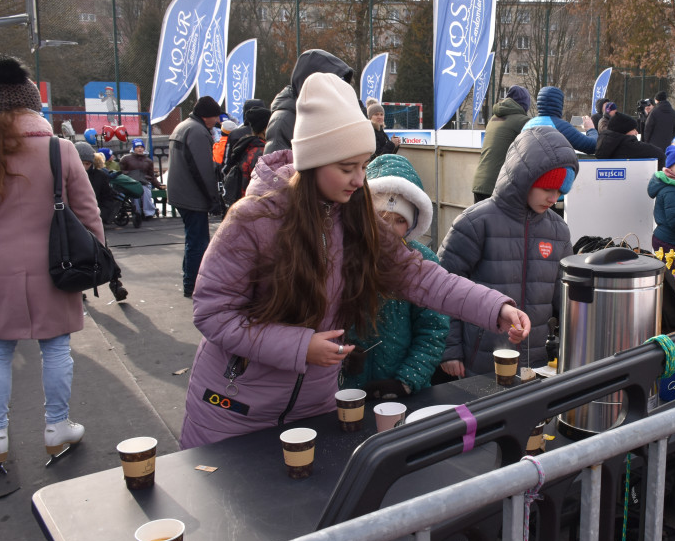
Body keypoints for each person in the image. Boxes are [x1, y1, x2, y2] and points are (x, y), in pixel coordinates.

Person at [178, 72, 530, 449]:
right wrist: (300, 346)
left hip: (312, 409)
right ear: (313, 161)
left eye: (363, 166)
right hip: (233, 409)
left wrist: (496, 307)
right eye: (348, 168)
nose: (359, 179)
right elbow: (212, 312)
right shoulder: (253, 220)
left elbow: (422, 276)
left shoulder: (355, 216)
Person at [0, 54, 96, 465]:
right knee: (56, 349)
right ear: (33, 105)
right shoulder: (59, 149)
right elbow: (87, 212)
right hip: (56, 264)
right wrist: (95, 261)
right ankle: (57, 426)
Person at [438, 125, 578, 378]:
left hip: (536, 361)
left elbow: (563, 297)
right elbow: (443, 289)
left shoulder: (559, 231)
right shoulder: (476, 222)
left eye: (559, 191)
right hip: (480, 358)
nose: (553, 198)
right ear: (524, 179)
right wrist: (450, 350)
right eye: (547, 188)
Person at [339, 153, 450, 399]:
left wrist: (406, 381)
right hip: (341, 392)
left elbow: (433, 330)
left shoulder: (423, 262)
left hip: (398, 392)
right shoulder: (340, 255)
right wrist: (338, 359)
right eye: (381, 217)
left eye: (399, 220)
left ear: (410, 226)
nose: (387, 229)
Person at [167, 95, 222, 298]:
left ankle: (189, 280)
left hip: (180, 192)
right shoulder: (198, 132)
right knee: (198, 242)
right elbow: (202, 169)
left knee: (193, 239)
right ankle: (193, 284)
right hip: (191, 195)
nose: (217, 121)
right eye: (215, 117)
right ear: (206, 116)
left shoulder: (184, 126)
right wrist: (213, 199)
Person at [264, 49, 357, 153]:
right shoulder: (284, 120)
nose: (338, 90)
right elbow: (275, 166)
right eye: (333, 83)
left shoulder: (325, 114)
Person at [471, 85, 531, 203]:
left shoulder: (493, 119)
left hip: (479, 182)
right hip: (497, 185)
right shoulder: (523, 121)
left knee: (481, 221)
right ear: (525, 104)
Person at [525, 86, 597, 154]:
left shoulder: (528, 125)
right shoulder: (561, 127)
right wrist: (590, 129)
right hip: (556, 166)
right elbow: (593, 146)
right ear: (559, 103)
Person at [222, 106, 270, 207]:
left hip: (243, 203)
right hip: (254, 207)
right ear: (265, 129)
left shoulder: (247, 145)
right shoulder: (260, 152)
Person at [595, 112, 667, 167]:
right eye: (633, 129)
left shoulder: (602, 144)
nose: (636, 132)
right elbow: (660, 154)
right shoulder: (630, 145)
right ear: (624, 130)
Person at [119, 138, 163, 222]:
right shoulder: (125, 159)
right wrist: (131, 173)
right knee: (135, 195)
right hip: (131, 183)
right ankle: (137, 213)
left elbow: (151, 176)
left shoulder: (148, 161)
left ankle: (149, 213)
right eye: (137, 147)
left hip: (144, 182)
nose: (140, 149)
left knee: (146, 193)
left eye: (141, 147)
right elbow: (121, 171)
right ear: (133, 148)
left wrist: (159, 185)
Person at [76, 141, 120, 224]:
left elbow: (107, 197)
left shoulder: (100, 176)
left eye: (87, 164)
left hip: (94, 219)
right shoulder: (67, 176)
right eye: (81, 163)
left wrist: (101, 215)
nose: (84, 167)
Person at [222, 99, 267, 167]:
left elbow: (227, 162)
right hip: (262, 174)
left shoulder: (234, 134)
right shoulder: (267, 133)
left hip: (239, 174)